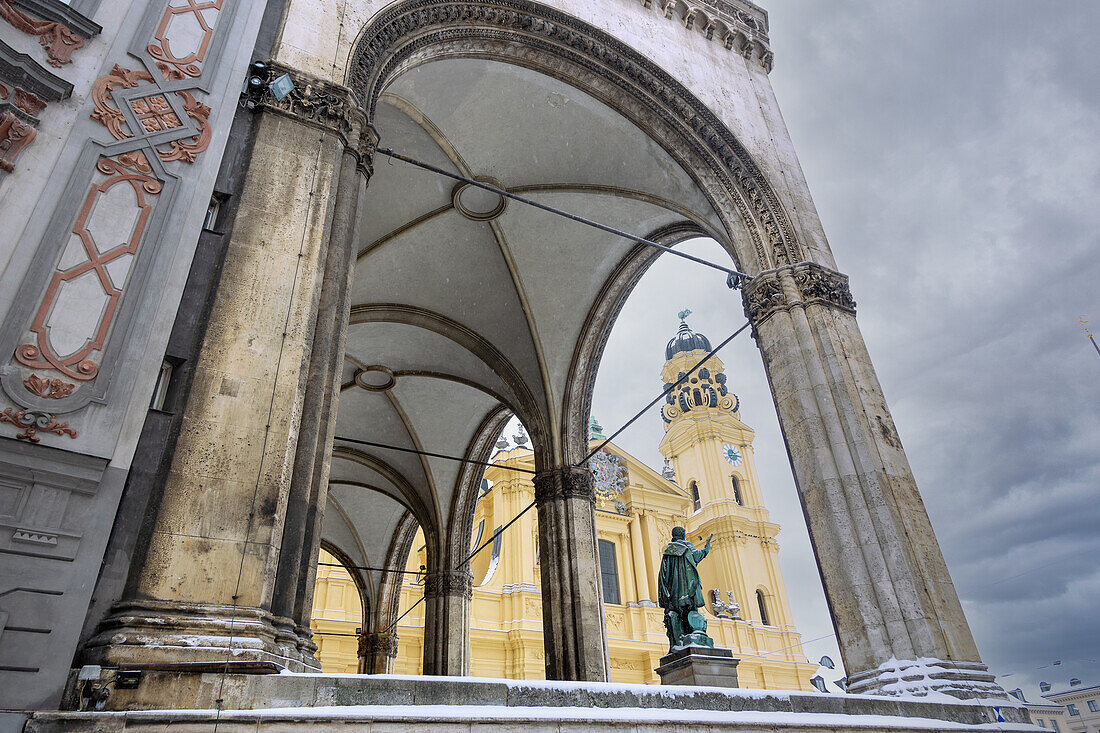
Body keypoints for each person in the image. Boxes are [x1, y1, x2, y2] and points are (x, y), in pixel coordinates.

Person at [657, 526, 714, 651]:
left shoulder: (668, 551)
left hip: (675, 592)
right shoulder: (687, 546)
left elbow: (663, 574)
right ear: (682, 534)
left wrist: (666, 594)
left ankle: (680, 641)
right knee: (690, 612)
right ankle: (692, 637)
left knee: (678, 615)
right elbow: (696, 556)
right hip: (689, 588)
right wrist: (706, 549)